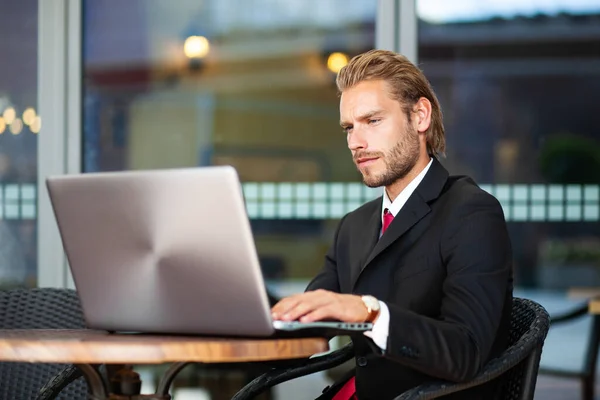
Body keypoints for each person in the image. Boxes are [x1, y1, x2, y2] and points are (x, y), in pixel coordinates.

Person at [271, 49, 514, 399]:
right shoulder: (354, 227)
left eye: (372, 121)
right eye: (349, 128)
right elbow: (306, 327)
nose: (356, 142)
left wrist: (370, 314)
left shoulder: (471, 213)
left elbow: (466, 352)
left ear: (419, 116)